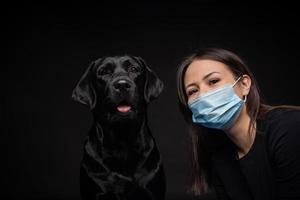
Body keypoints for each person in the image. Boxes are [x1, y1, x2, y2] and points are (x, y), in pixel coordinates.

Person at [176, 47, 300, 200]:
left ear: (244, 84)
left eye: (213, 81)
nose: (203, 94)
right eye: (193, 91)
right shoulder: (220, 160)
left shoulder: (289, 128)